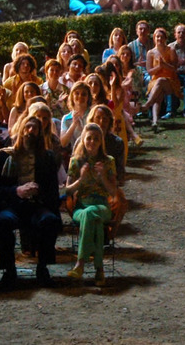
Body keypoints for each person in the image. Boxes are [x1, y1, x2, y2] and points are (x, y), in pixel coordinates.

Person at [0, 116, 62, 289]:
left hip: (37, 204)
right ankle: (9, 271)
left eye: (35, 128)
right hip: (12, 204)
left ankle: (42, 268)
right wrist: (17, 191)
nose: (31, 131)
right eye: (27, 127)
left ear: (40, 133)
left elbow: (53, 189)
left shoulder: (47, 157)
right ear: (21, 129)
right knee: (2, 222)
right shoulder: (5, 155)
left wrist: (38, 191)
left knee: (50, 220)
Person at [66, 122, 123, 286]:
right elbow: (67, 191)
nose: (92, 142)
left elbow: (113, 192)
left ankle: (80, 263)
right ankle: (99, 270)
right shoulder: (76, 162)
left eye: (96, 139)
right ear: (83, 139)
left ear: (101, 142)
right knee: (93, 218)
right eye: (89, 138)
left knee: (93, 213)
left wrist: (103, 177)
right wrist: (81, 179)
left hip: (102, 205)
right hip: (81, 206)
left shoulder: (108, 161)